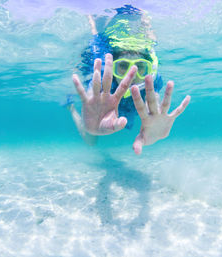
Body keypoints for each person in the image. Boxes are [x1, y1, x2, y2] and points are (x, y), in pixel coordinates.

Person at [68, 5, 190, 155]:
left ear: (148, 69)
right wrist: (90, 128)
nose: (131, 76)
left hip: (128, 109)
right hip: (104, 106)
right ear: (112, 68)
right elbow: (96, 38)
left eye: (140, 67)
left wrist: (156, 120)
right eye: (123, 66)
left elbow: (153, 104)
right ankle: (71, 108)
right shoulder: (103, 81)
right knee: (91, 142)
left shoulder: (150, 82)